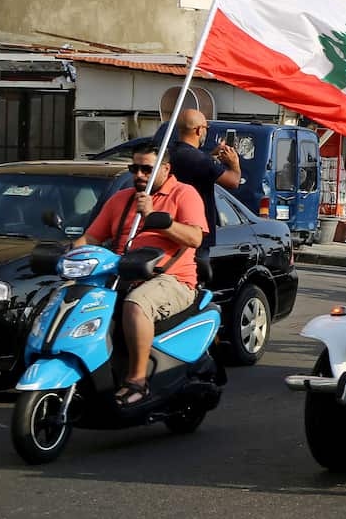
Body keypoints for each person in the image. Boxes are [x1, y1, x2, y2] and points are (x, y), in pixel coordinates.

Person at [72, 145, 206, 406]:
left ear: (165, 169)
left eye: (147, 168)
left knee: (136, 304)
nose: (140, 175)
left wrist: (157, 218)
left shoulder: (184, 194)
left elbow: (195, 238)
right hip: (121, 273)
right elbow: (92, 237)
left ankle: (137, 381)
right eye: (135, 168)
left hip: (170, 279)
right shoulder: (120, 199)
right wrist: (70, 253)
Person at [165, 109, 240, 265]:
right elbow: (233, 181)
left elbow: (197, 164)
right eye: (206, 128)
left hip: (170, 228)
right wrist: (234, 163)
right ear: (199, 130)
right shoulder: (198, 159)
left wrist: (211, 156)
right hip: (196, 232)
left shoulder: (170, 153)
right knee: (194, 281)